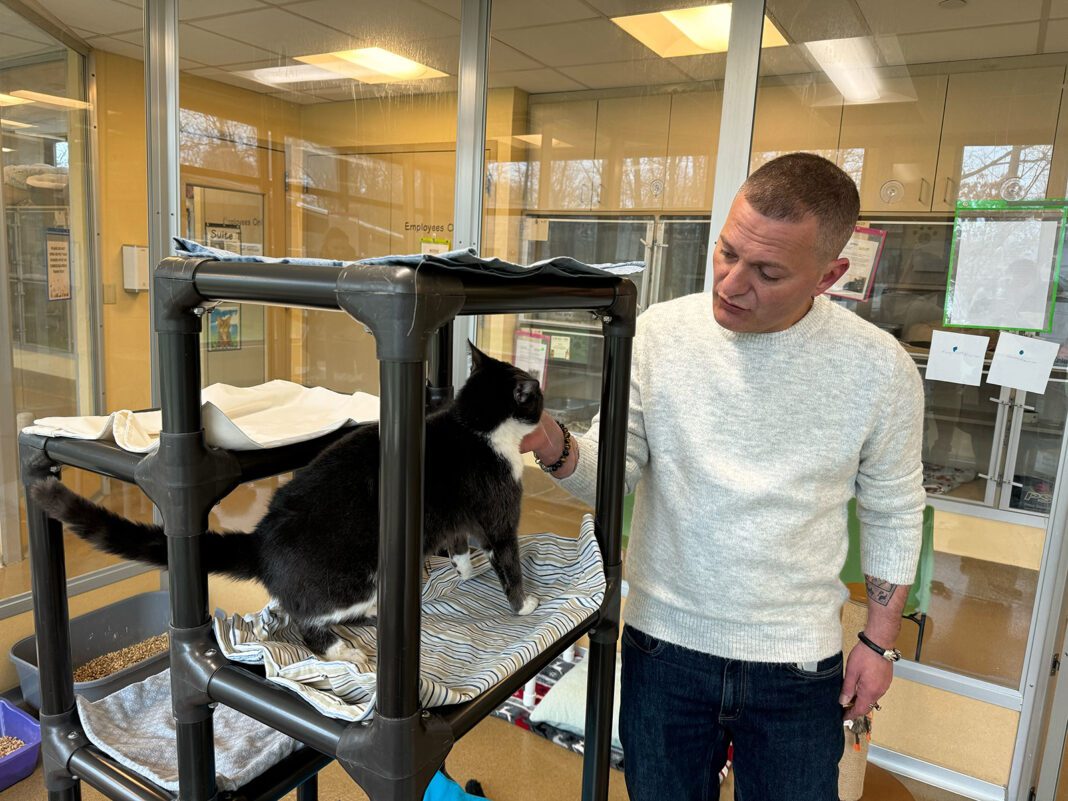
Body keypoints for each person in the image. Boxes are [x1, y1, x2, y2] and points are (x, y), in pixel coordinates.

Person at [520, 152, 925, 800]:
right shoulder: (658, 336)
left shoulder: (879, 370)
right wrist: (549, 440)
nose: (732, 283)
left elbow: (895, 510)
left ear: (830, 274)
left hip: (797, 663)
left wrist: (880, 645)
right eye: (726, 252)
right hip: (664, 652)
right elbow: (611, 471)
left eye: (767, 271)